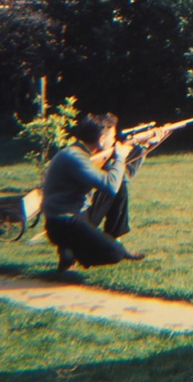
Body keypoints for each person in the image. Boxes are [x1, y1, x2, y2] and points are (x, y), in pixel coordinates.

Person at [41, 113, 147, 272]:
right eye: (112, 136)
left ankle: (111, 241)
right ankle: (74, 252)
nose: (115, 140)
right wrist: (119, 158)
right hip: (63, 224)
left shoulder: (82, 153)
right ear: (101, 139)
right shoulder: (75, 157)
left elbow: (119, 180)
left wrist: (144, 147)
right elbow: (110, 185)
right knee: (115, 254)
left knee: (120, 188)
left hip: (79, 214)